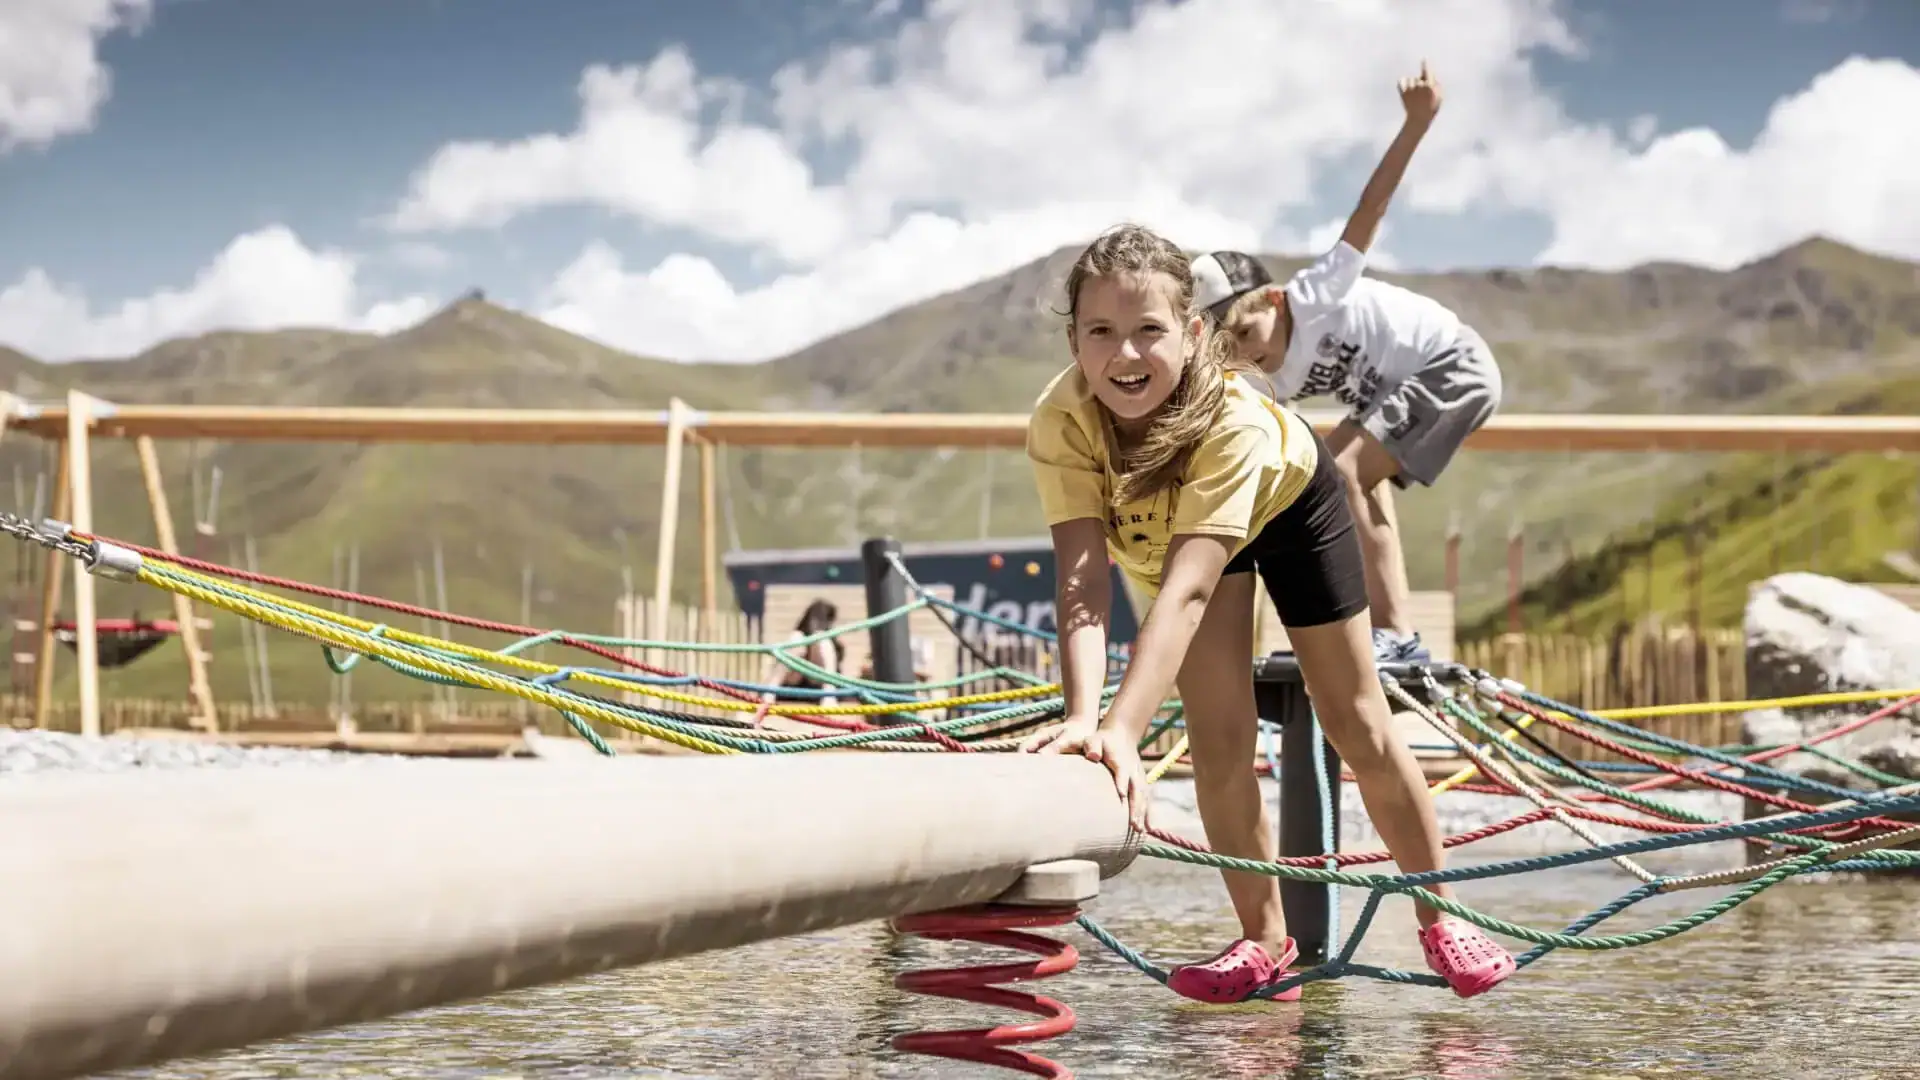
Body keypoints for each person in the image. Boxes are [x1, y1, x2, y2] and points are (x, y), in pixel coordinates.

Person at [1018, 218, 1514, 1004]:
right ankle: (1265, 942)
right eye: (1100, 332)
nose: (1125, 354)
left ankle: (1441, 915)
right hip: (1194, 538)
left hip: (1289, 503)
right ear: (1073, 340)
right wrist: (1085, 716)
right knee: (1219, 737)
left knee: (1354, 715)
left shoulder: (1235, 423)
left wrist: (1123, 731)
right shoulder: (1062, 421)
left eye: (1149, 330)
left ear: (1190, 333)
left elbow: (1184, 590)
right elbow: (1082, 578)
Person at [1190, 62, 1501, 665]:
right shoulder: (1265, 380)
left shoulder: (1314, 294)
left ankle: (1395, 636)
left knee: (1347, 469)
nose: (1250, 353)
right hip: (1406, 389)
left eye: (1251, 333)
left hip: (1449, 364)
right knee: (1335, 471)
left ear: (1276, 301)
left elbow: (1370, 208)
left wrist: (1417, 123)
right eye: (1230, 349)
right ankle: (1391, 629)